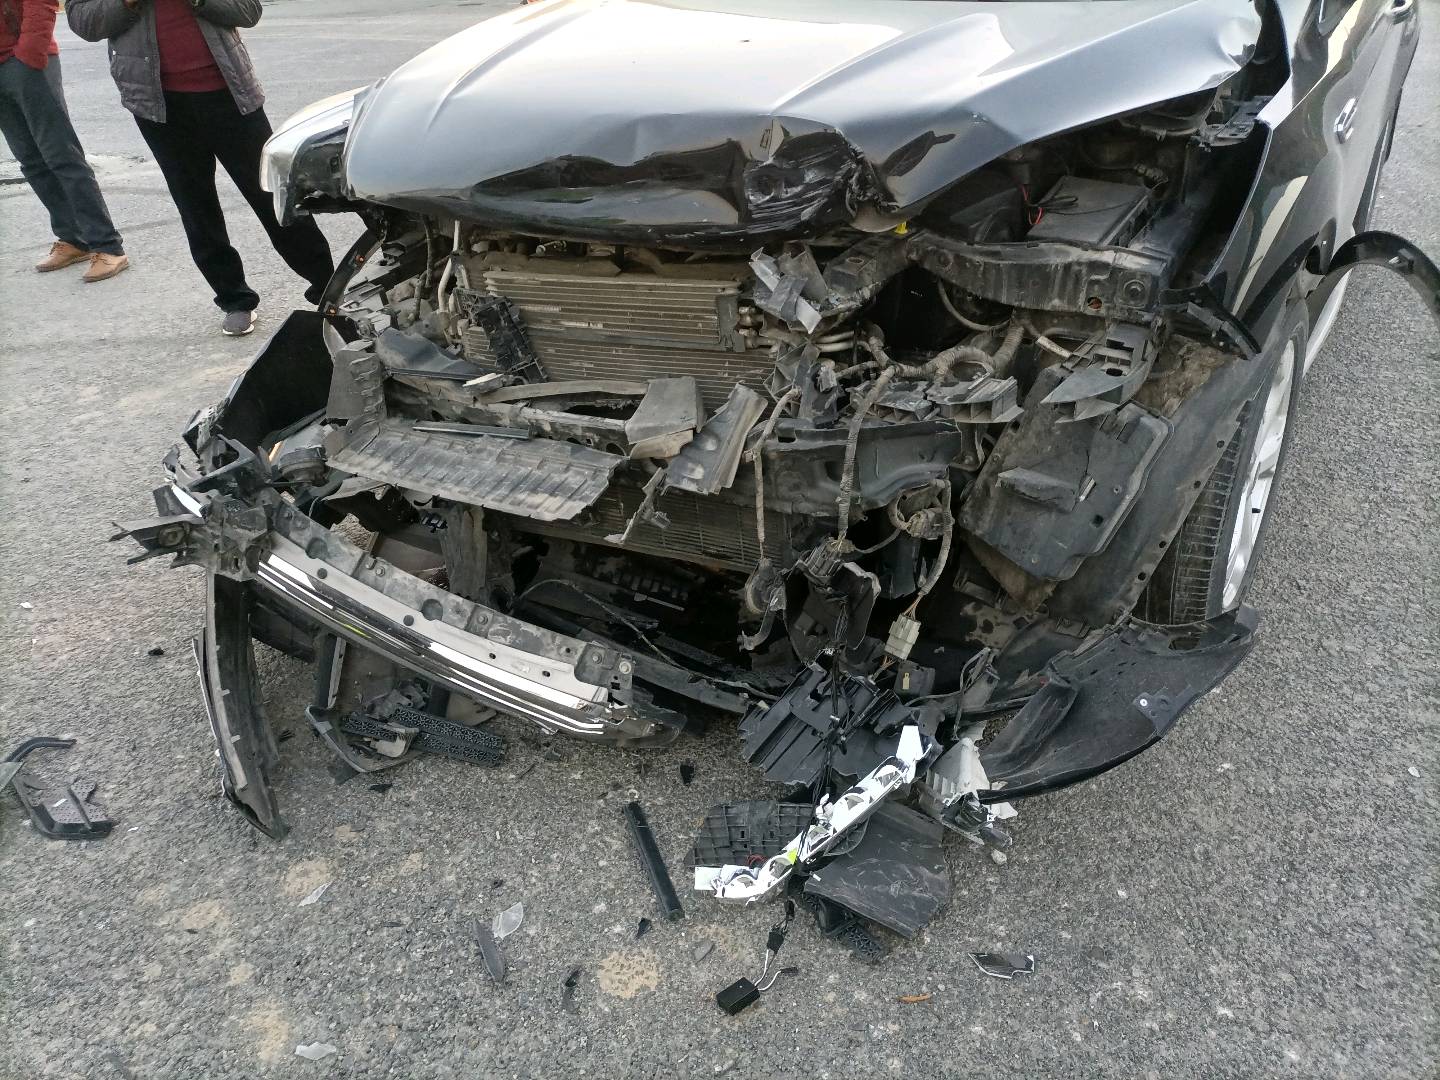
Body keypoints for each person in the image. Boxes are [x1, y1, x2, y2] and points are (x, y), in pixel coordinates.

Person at [66, 0, 334, 336]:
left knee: (272, 196)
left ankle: (329, 288)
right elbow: (83, 20)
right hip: (159, 106)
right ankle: (234, 298)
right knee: (196, 206)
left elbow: (248, 10)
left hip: (230, 93)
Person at [0, 0, 129, 282]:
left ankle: (107, 245)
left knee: (61, 156)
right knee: (30, 160)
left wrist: (29, 53)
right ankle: (73, 239)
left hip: (24, 59)